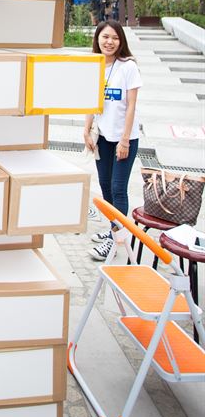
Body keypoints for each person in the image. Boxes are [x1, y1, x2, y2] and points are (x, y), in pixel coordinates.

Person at [83, 21, 142, 261]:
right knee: (106, 187)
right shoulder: (94, 65)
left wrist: (125, 140)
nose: (109, 42)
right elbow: (89, 100)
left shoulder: (128, 67)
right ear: (97, 39)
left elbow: (130, 107)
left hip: (124, 139)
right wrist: (86, 130)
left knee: (118, 189)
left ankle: (115, 240)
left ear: (121, 41)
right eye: (105, 37)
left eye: (115, 38)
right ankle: (113, 230)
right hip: (103, 138)